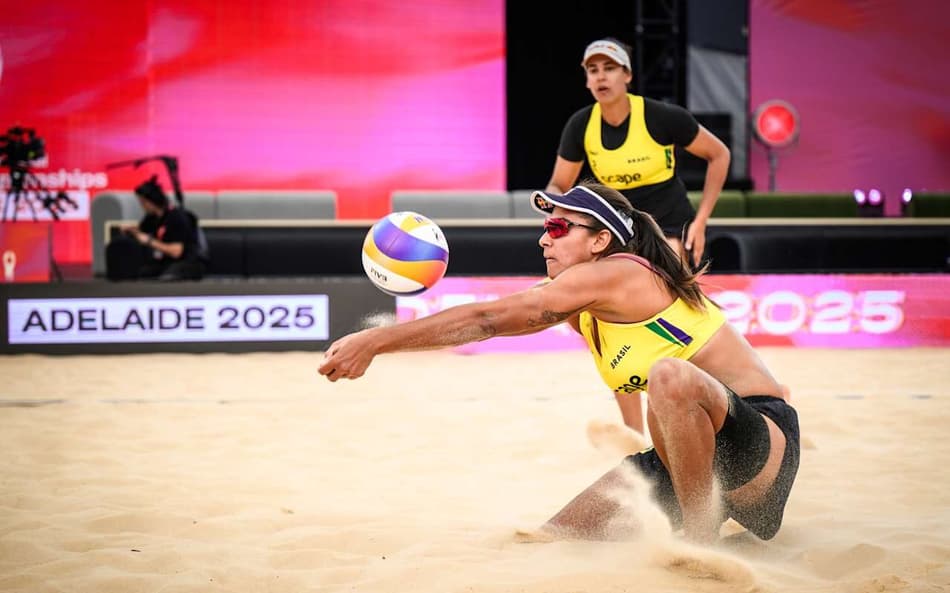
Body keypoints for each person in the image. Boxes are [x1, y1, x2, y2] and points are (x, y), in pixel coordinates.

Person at [318, 181, 800, 543]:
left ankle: (699, 543)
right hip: (690, 462)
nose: (544, 239)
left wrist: (378, 340)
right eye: (544, 228)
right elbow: (497, 322)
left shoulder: (622, 273)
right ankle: (698, 517)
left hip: (761, 451)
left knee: (668, 375)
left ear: (599, 241)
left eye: (557, 227)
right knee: (552, 540)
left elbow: (489, 318)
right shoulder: (586, 311)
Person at [545, 38, 731, 269]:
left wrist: (701, 221)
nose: (601, 76)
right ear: (587, 81)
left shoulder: (663, 116)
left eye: (610, 68)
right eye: (593, 70)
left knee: (665, 284)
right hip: (618, 228)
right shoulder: (580, 124)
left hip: (669, 224)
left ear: (628, 75)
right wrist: (552, 210)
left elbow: (720, 154)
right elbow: (559, 185)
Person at [106, 176, 206, 281]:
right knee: (142, 274)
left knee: (168, 277)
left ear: (151, 202)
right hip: (165, 261)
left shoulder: (177, 217)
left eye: (143, 202)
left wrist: (150, 241)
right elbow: (142, 230)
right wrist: (132, 231)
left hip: (188, 262)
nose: (142, 206)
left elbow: (177, 252)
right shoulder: (152, 218)